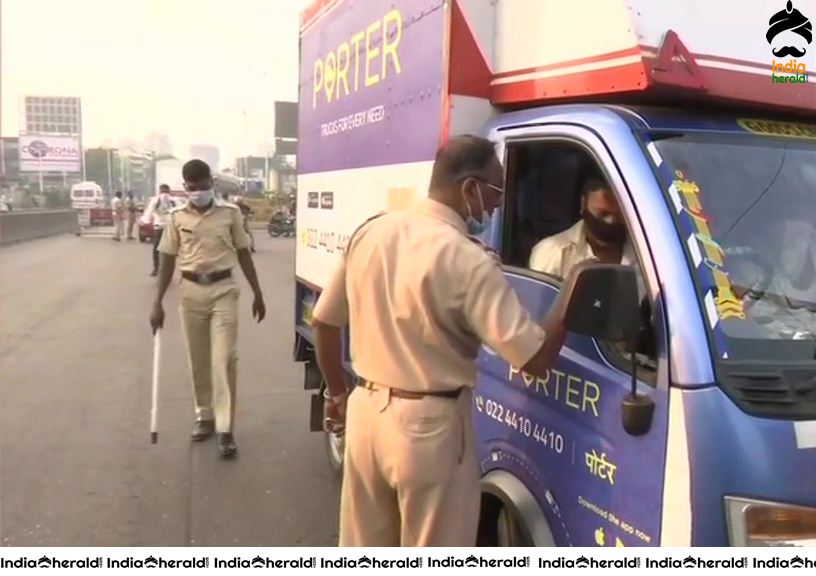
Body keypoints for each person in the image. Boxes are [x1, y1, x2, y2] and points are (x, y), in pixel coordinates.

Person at [311, 135, 591, 546]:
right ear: (470, 188)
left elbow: (324, 322)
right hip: (428, 430)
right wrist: (573, 293)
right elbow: (533, 360)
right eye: (495, 190)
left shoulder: (371, 232)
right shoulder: (467, 259)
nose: (497, 203)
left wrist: (337, 392)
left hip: (366, 415)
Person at [149, 160, 266, 459]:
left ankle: (226, 429)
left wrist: (258, 292)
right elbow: (167, 260)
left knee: (224, 358)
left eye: (203, 186)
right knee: (197, 359)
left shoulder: (230, 214)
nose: (199, 191)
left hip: (223, 290)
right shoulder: (176, 218)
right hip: (190, 293)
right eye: (193, 187)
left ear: (211, 183)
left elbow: (243, 253)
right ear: (185, 186)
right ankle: (205, 416)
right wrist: (157, 302)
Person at [528, 177, 635, 278]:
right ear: (583, 204)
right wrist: (575, 282)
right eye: (603, 214)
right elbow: (538, 297)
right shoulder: (553, 252)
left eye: (618, 215)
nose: (610, 221)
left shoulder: (643, 248)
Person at [141, 184, 174, 276]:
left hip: (159, 227)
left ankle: (156, 268)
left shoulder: (156, 200)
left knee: (156, 248)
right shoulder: (173, 200)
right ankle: (168, 270)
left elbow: (149, 211)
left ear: (160, 191)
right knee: (171, 249)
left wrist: (145, 221)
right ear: (168, 190)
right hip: (170, 227)